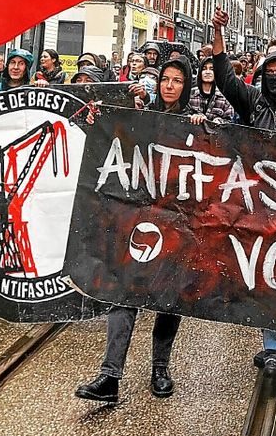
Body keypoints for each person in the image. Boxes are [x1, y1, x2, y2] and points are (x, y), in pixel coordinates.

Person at [75, 57, 207, 403]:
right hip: (137, 220)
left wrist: (203, 129)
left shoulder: (192, 122)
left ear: (185, 86)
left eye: (177, 81)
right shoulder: (137, 114)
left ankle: (160, 368)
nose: (169, 86)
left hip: (176, 223)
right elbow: (103, 133)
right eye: (165, 79)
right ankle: (110, 375)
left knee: (169, 298)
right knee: (124, 292)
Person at [209, 7, 276, 375]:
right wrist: (218, 32)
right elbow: (225, 77)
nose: (274, 77)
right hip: (256, 200)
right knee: (257, 270)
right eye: (268, 72)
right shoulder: (252, 101)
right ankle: (271, 340)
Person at [190, 57, 235, 122]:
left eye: (212, 69)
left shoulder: (224, 97)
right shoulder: (191, 94)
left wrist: (219, 121)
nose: (208, 72)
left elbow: (230, 122)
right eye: (204, 69)